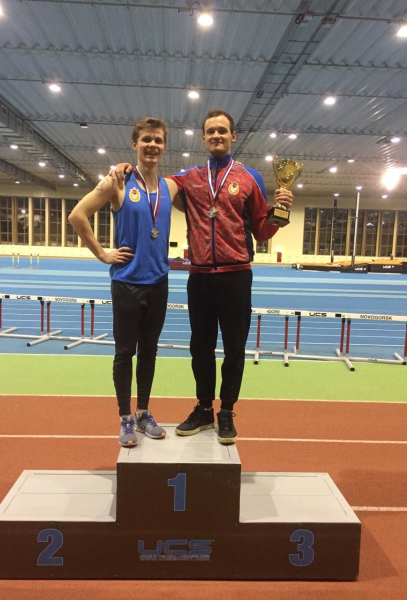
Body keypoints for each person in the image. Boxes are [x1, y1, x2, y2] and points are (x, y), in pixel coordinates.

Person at [112, 109, 293, 445]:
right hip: (200, 278)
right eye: (211, 131)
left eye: (222, 131)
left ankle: (227, 413)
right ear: (203, 138)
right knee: (201, 348)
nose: (216, 136)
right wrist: (125, 167)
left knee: (235, 348)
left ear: (233, 136)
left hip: (236, 275)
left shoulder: (250, 177)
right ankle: (204, 409)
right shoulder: (189, 178)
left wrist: (280, 213)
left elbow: (262, 232)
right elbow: (151, 177)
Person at [69, 117, 181, 448]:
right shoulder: (118, 181)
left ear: (164, 146)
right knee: (124, 352)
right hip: (127, 283)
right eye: (146, 139)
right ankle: (125, 418)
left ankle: (143, 412)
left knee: (149, 352)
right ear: (135, 144)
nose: (152, 145)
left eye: (158, 140)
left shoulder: (171, 187)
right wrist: (103, 254)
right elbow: (77, 215)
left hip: (159, 283)